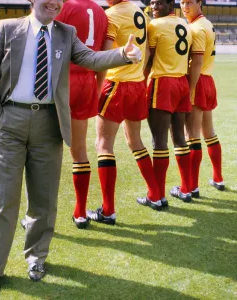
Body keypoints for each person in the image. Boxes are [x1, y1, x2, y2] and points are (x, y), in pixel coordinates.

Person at [0, 0, 142, 296]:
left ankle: (36, 258)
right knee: (4, 198)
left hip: (49, 123)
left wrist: (123, 55)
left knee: (44, 200)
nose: (54, 2)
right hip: (9, 121)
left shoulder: (66, 33)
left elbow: (91, 59)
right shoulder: (8, 28)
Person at [21, 0, 108, 230]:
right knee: (80, 151)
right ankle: (80, 213)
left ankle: (36, 216)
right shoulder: (101, 12)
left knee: (42, 151)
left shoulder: (64, 7)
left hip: (61, 83)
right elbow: (101, 56)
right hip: (87, 82)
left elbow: (45, 42)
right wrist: (96, 88)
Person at [86, 0, 163, 227]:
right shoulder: (138, 11)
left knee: (103, 144)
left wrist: (97, 88)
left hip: (117, 83)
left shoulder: (112, 15)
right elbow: (146, 51)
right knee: (135, 141)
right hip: (137, 84)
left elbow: (104, 57)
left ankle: (108, 211)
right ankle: (156, 195)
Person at [144, 0, 193, 204]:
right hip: (181, 81)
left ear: (169, 5)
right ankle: (185, 189)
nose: (154, 7)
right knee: (180, 138)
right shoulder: (185, 25)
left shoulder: (155, 25)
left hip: (163, 82)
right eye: (152, 3)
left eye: (159, 3)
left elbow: (148, 58)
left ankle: (157, 196)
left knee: (159, 140)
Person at [180, 0, 225, 197]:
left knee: (192, 136)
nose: (184, 6)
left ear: (199, 3)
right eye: (182, 2)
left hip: (197, 82)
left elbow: (196, 61)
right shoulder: (207, 23)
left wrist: (189, 89)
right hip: (208, 80)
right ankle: (218, 178)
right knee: (209, 132)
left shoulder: (196, 28)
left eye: (189, 2)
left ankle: (192, 186)